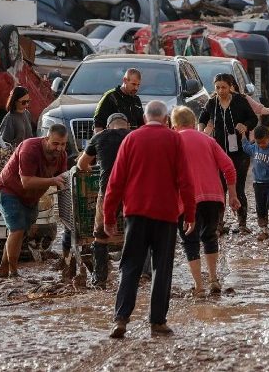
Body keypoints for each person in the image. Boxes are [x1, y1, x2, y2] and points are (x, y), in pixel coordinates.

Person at [104, 101, 196, 339]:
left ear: (145, 118)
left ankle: (121, 320)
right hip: (165, 215)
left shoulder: (131, 139)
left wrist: (108, 215)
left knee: (130, 266)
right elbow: (186, 180)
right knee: (161, 268)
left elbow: (115, 182)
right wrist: (190, 213)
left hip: (135, 213)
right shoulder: (174, 139)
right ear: (166, 120)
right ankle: (157, 322)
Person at [170, 106, 238, 297]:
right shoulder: (208, 140)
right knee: (209, 237)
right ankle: (214, 279)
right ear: (193, 123)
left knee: (189, 241)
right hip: (213, 198)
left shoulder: (173, 142)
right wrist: (232, 194)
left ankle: (199, 286)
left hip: (185, 200)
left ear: (174, 126)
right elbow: (229, 167)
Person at [0, 127, 69, 278]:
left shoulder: (62, 155)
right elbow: (26, 182)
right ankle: (14, 273)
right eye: (55, 144)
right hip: (9, 190)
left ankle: (2, 271)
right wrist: (52, 180)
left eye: (63, 144)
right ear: (46, 139)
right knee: (17, 229)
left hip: (31, 197)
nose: (59, 148)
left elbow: (63, 179)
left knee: (19, 232)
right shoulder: (29, 149)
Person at [76, 113, 131, 289]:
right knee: (137, 232)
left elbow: (81, 165)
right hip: (133, 191)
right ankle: (141, 275)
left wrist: (93, 167)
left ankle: (100, 280)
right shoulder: (133, 136)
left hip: (108, 190)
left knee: (101, 236)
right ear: (127, 125)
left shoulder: (99, 137)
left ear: (108, 126)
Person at [198, 73, 257, 233]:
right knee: (219, 188)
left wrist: (245, 126)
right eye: (217, 87)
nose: (221, 90)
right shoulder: (212, 103)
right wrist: (201, 131)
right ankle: (219, 224)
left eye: (224, 87)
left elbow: (254, 119)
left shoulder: (240, 101)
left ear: (230, 87)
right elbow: (202, 118)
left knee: (238, 187)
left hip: (239, 152)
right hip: (218, 151)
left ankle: (242, 224)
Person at [243, 125, 269, 240]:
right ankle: (264, 230)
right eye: (258, 143)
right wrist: (243, 135)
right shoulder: (255, 148)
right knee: (260, 207)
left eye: (263, 142)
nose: (261, 145)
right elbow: (246, 148)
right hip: (258, 184)